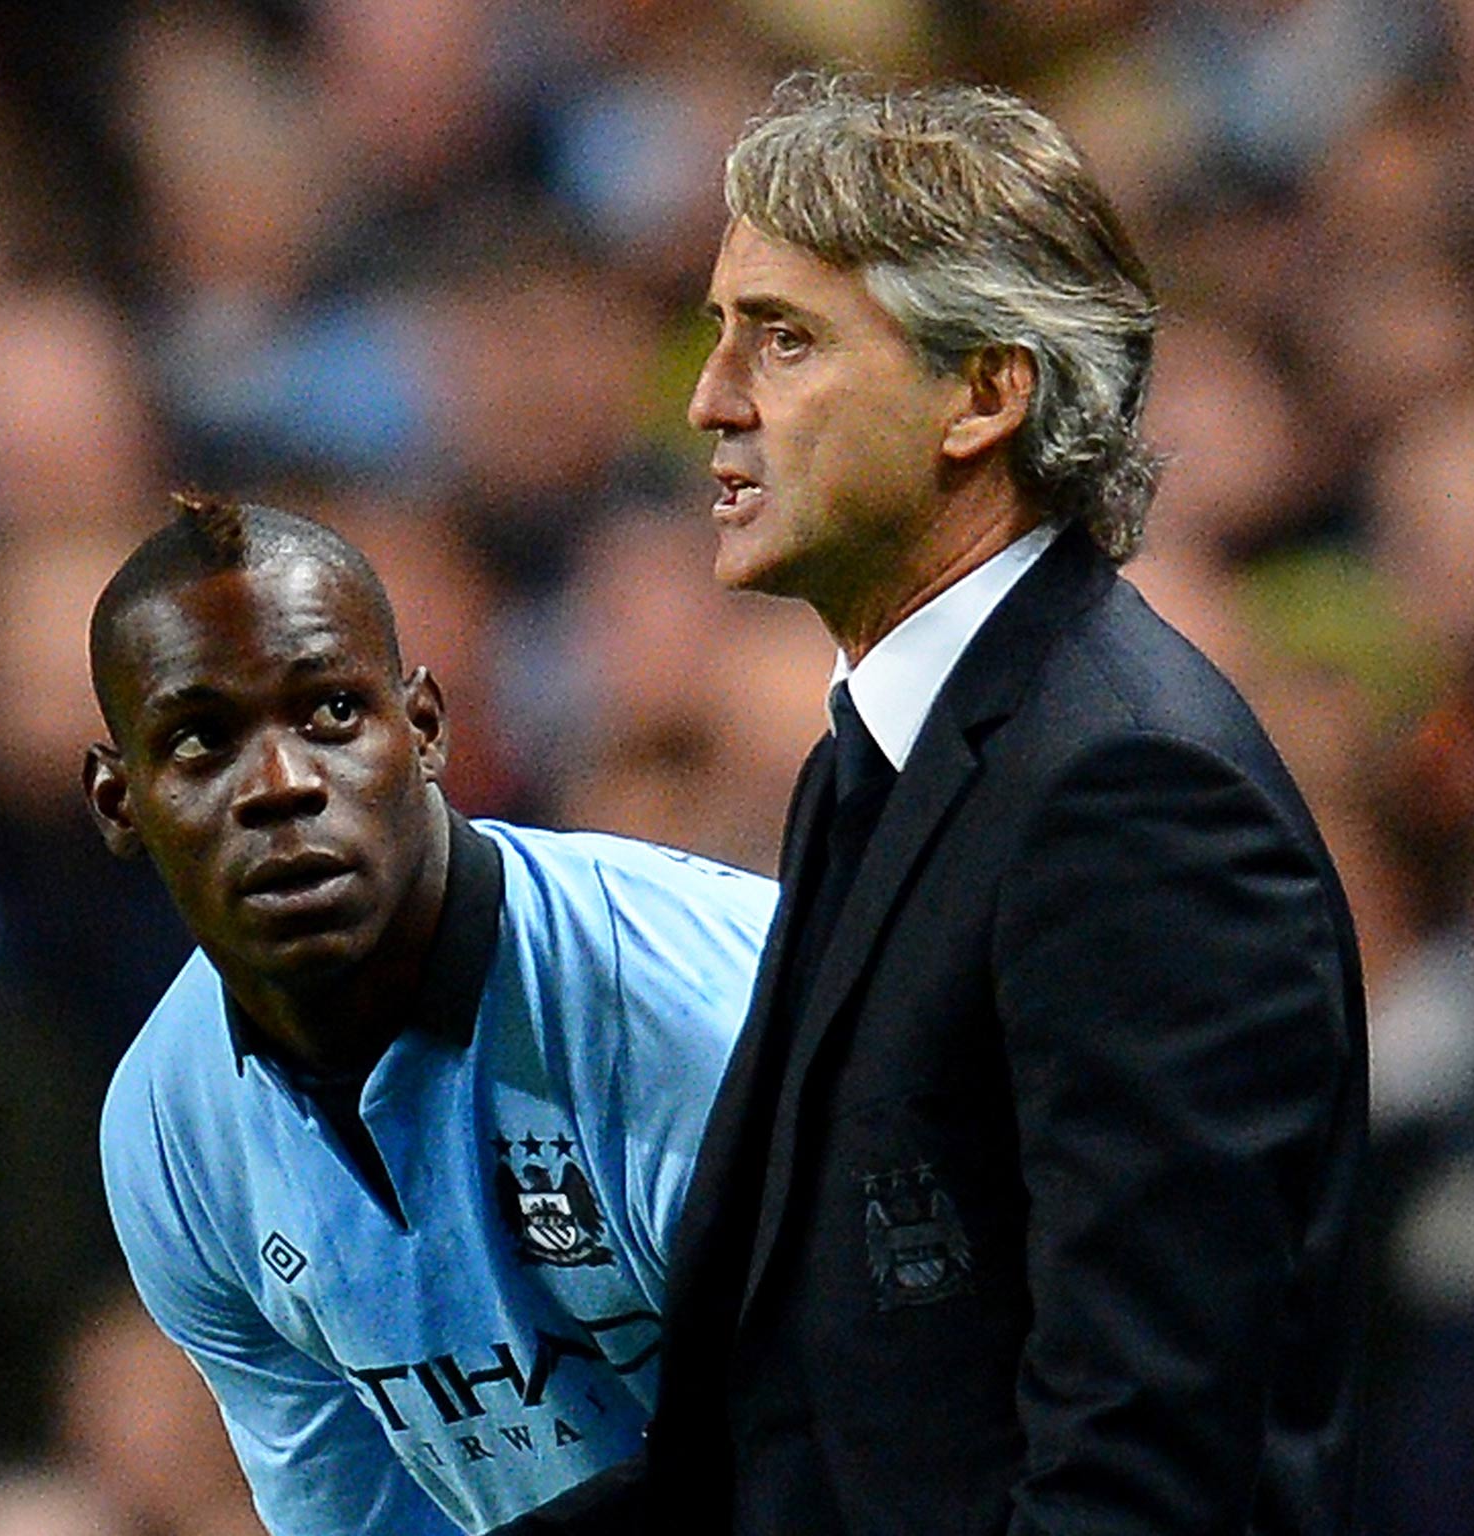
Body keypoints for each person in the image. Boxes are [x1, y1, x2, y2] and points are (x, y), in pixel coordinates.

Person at [516, 71, 1369, 1535]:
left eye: (782, 341)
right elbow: (785, 1436)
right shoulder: (882, 757)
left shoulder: (1129, 796)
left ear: (984, 393)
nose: (710, 401)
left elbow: (1149, 1473)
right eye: (722, 335)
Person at [85, 496, 777, 1534]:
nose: (280, 785)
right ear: (117, 801)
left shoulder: (680, 1013)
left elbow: (839, 1453)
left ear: (423, 729)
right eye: (199, 740)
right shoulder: (171, 1132)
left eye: (329, 715)